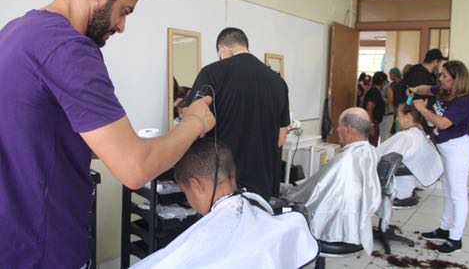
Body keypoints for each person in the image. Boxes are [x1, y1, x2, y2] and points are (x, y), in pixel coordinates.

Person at [0, 0, 215, 268]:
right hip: (45, 250)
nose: (122, 26)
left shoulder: (14, 32)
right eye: (125, 11)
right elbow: (135, 170)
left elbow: (38, 134)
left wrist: (134, 144)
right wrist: (194, 123)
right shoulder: (70, 48)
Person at [132, 138, 319, 269]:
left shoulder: (207, 237)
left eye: (186, 192)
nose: (189, 201)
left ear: (196, 185)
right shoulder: (259, 210)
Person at [184, 27, 290, 201]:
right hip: (263, 185)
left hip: (221, 182)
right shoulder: (278, 82)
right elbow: (280, 138)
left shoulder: (212, 73)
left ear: (222, 49)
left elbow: (193, 125)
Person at [282, 107, 381, 255]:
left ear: (348, 129)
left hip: (333, 228)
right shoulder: (370, 151)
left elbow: (313, 192)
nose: (336, 129)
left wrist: (287, 193)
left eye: (339, 125)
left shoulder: (345, 160)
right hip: (357, 225)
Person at [409, 60, 469, 254]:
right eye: (440, 74)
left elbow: (442, 123)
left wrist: (422, 109)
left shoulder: (464, 101)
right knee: (447, 190)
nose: (440, 78)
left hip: (459, 149)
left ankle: (456, 239)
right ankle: (444, 228)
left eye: (444, 76)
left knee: (457, 194)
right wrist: (415, 90)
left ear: (457, 80)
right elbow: (427, 88)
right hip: (447, 149)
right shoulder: (444, 90)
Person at [378, 104, 443, 204]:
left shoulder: (406, 137)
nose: (396, 120)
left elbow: (384, 160)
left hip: (395, 188)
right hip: (406, 187)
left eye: (398, 117)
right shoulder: (419, 133)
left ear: (408, 117)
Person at [363, 71, 387, 146]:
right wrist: (371, 125)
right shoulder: (375, 92)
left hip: (371, 120)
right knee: (372, 145)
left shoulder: (371, 90)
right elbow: (369, 107)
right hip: (372, 121)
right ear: (383, 82)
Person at [387, 67, 402, 135]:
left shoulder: (404, 84)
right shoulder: (392, 84)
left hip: (402, 109)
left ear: (394, 74)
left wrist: (407, 105)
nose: (389, 76)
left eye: (390, 74)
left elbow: (410, 96)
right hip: (394, 108)